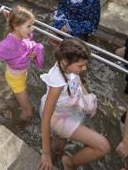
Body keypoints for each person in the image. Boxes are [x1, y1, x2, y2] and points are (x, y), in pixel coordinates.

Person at [39, 38, 109, 170]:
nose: (84, 68)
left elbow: (77, 81)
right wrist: (45, 154)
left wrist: (86, 96)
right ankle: (68, 163)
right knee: (103, 146)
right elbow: (46, 118)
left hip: (68, 110)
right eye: (81, 66)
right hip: (58, 117)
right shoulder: (57, 83)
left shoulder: (67, 67)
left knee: (58, 147)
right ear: (65, 62)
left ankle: (57, 156)